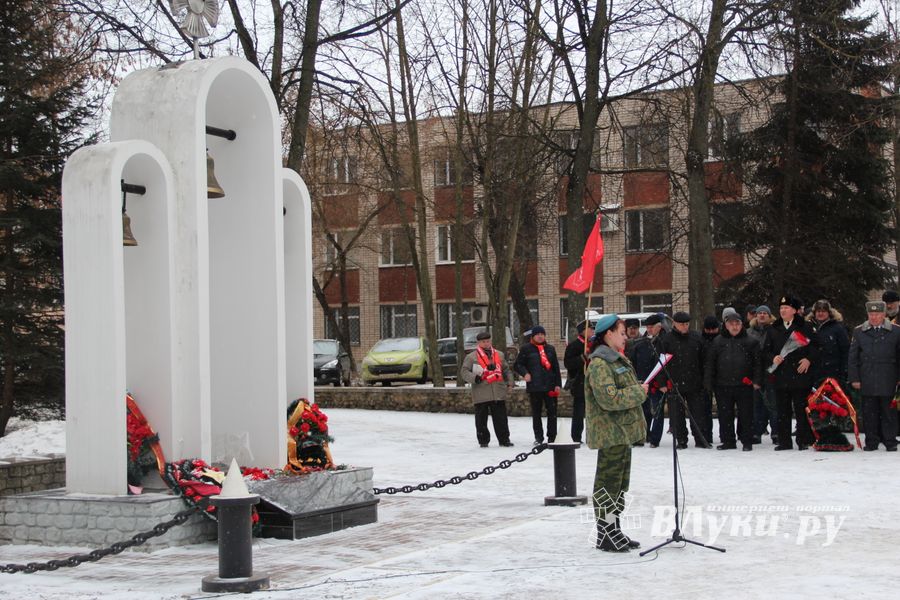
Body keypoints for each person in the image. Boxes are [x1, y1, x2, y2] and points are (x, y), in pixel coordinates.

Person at [585, 314, 647, 552]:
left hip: (622, 432)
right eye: (621, 333)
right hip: (610, 432)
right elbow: (609, 399)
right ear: (608, 334)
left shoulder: (616, 360)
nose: (625, 338)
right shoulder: (600, 363)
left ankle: (615, 529)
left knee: (619, 485)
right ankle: (605, 532)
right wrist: (639, 392)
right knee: (608, 485)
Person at [762, 295, 819, 451]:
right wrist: (773, 358)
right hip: (781, 376)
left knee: (801, 410)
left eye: (786, 308)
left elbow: (817, 347)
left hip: (800, 375)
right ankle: (784, 441)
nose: (783, 311)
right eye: (781, 308)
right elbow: (765, 351)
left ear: (794, 310)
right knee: (782, 411)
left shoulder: (805, 326)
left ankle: (803, 440)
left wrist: (809, 359)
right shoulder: (774, 328)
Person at [705, 307, 763, 451]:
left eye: (737, 323)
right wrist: (709, 382)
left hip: (745, 385)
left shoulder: (751, 342)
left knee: (746, 415)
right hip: (722, 385)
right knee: (725, 415)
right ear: (725, 325)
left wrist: (757, 381)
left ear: (741, 325)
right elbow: (710, 364)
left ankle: (746, 441)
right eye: (731, 324)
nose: (734, 326)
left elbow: (758, 364)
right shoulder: (717, 342)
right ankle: (728, 441)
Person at [848, 301, 900, 452]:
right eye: (871, 314)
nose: (874, 317)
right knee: (869, 412)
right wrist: (855, 378)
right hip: (867, 377)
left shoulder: (896, 331)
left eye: (877, 314)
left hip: (888, 377)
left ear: (884, 315)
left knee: (888, 412)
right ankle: (871, 441)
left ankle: (890, 441)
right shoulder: (859, 331)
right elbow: (853, 357)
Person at [657, 311, 709, 449]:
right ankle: (681, 439)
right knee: (676, 416)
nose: (685, 327)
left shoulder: (696, 338)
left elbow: (704, 361)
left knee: (698, 414)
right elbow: (661, 362)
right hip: (675, 383)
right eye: (682, 324)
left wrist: (705, 380)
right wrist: (662, 382)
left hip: (695, 382)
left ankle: (700, 438)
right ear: (674, 324)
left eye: (687, 324)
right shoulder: (667, 340)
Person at [461, 331, 515, 448]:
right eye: (483, 342)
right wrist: (475, 378)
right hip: (481, 391)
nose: (486, 343)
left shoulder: (499, 355)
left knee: (501, 418)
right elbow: (464, 372)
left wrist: (510, 383)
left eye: (488, 341)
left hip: (498, 391)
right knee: (481, 420)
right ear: (479, 343)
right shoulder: (471, 357)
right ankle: (483, 440)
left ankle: (504, 439)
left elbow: (506, 370)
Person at [514, 325, 562, 445]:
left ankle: (552, 436)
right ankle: (539, 437)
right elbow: (518, 365)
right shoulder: (526, 349)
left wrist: (557, 384)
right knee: (536, 413)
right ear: (533, 336)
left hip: (550, 385)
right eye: (537, 334)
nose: (540, 336)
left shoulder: (550, 349)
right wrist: (525, 373)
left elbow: (556, 367)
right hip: (535, 386)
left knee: (552, 413)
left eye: (542, 334)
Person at [627, 313, 666, 447]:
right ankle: (643, 435)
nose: (649, 330)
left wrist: (662, 383)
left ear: (659, 327)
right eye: (647, 327)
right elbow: (632, 363)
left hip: (658, 384)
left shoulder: (664, 342)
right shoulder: (640, 344)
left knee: (657, 412)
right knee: (643, 412)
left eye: (652, 327)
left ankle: (654, 439)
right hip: (642, 382)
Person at [748, 304, 778, 445]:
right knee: (756, 404)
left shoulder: (775, 330)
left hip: (771, 370)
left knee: (773, 404)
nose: (761, 315)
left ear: (769, 316)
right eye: (759, 313)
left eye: (765, 313)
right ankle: (756, 432)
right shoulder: (749, 332)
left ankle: (776, 432)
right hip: (755, 371)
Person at [807, 299, 849, 390]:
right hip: (812, 374)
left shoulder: (838, 328)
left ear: (829, 313)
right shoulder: (807, 327)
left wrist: (843, 372)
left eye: (823, 311)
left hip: (833, 373)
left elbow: (845, 351)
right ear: (814, 313)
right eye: (818, 311)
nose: (820, 314)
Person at [563, 319, 594, 444]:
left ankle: (592, 436)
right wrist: (582, 358)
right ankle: (576, 437)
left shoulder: (594, 344)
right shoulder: (574, 346)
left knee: (593, 412)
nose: (593, 331)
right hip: (579, 382)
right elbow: (568, 363)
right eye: (590, 329)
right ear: (583, 331)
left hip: (593, 382)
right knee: (579, 413)